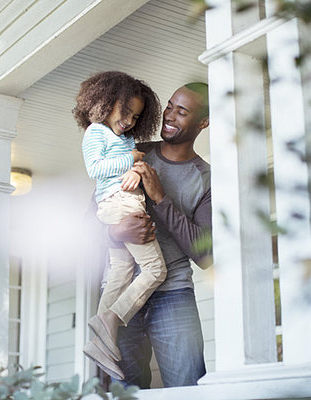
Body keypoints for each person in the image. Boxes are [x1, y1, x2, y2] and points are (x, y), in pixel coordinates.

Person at [101, 82, 213, 388]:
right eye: (169, 105)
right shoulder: (132, 152)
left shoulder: (206, 179)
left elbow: (205, 255)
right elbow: (88, 223)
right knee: (125, 392)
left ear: (203, 122)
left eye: (182, 111)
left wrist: (161, 199)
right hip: (121, 290)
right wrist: (115, 233)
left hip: (173, 294)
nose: (170, 115)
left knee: (188, 389)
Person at [73, 71, 167, 381]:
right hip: (117, 204)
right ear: (106, 103)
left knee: (121, 271)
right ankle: (111, 318)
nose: (128, 121)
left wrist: (137, 168)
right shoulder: (96, 133)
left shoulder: (125, 139)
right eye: (124, 112)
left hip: (126, 200)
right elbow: (95, 169)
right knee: (155, 270)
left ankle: (101, 341)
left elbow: (130, 166)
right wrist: (133, 160)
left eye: (136, 116)